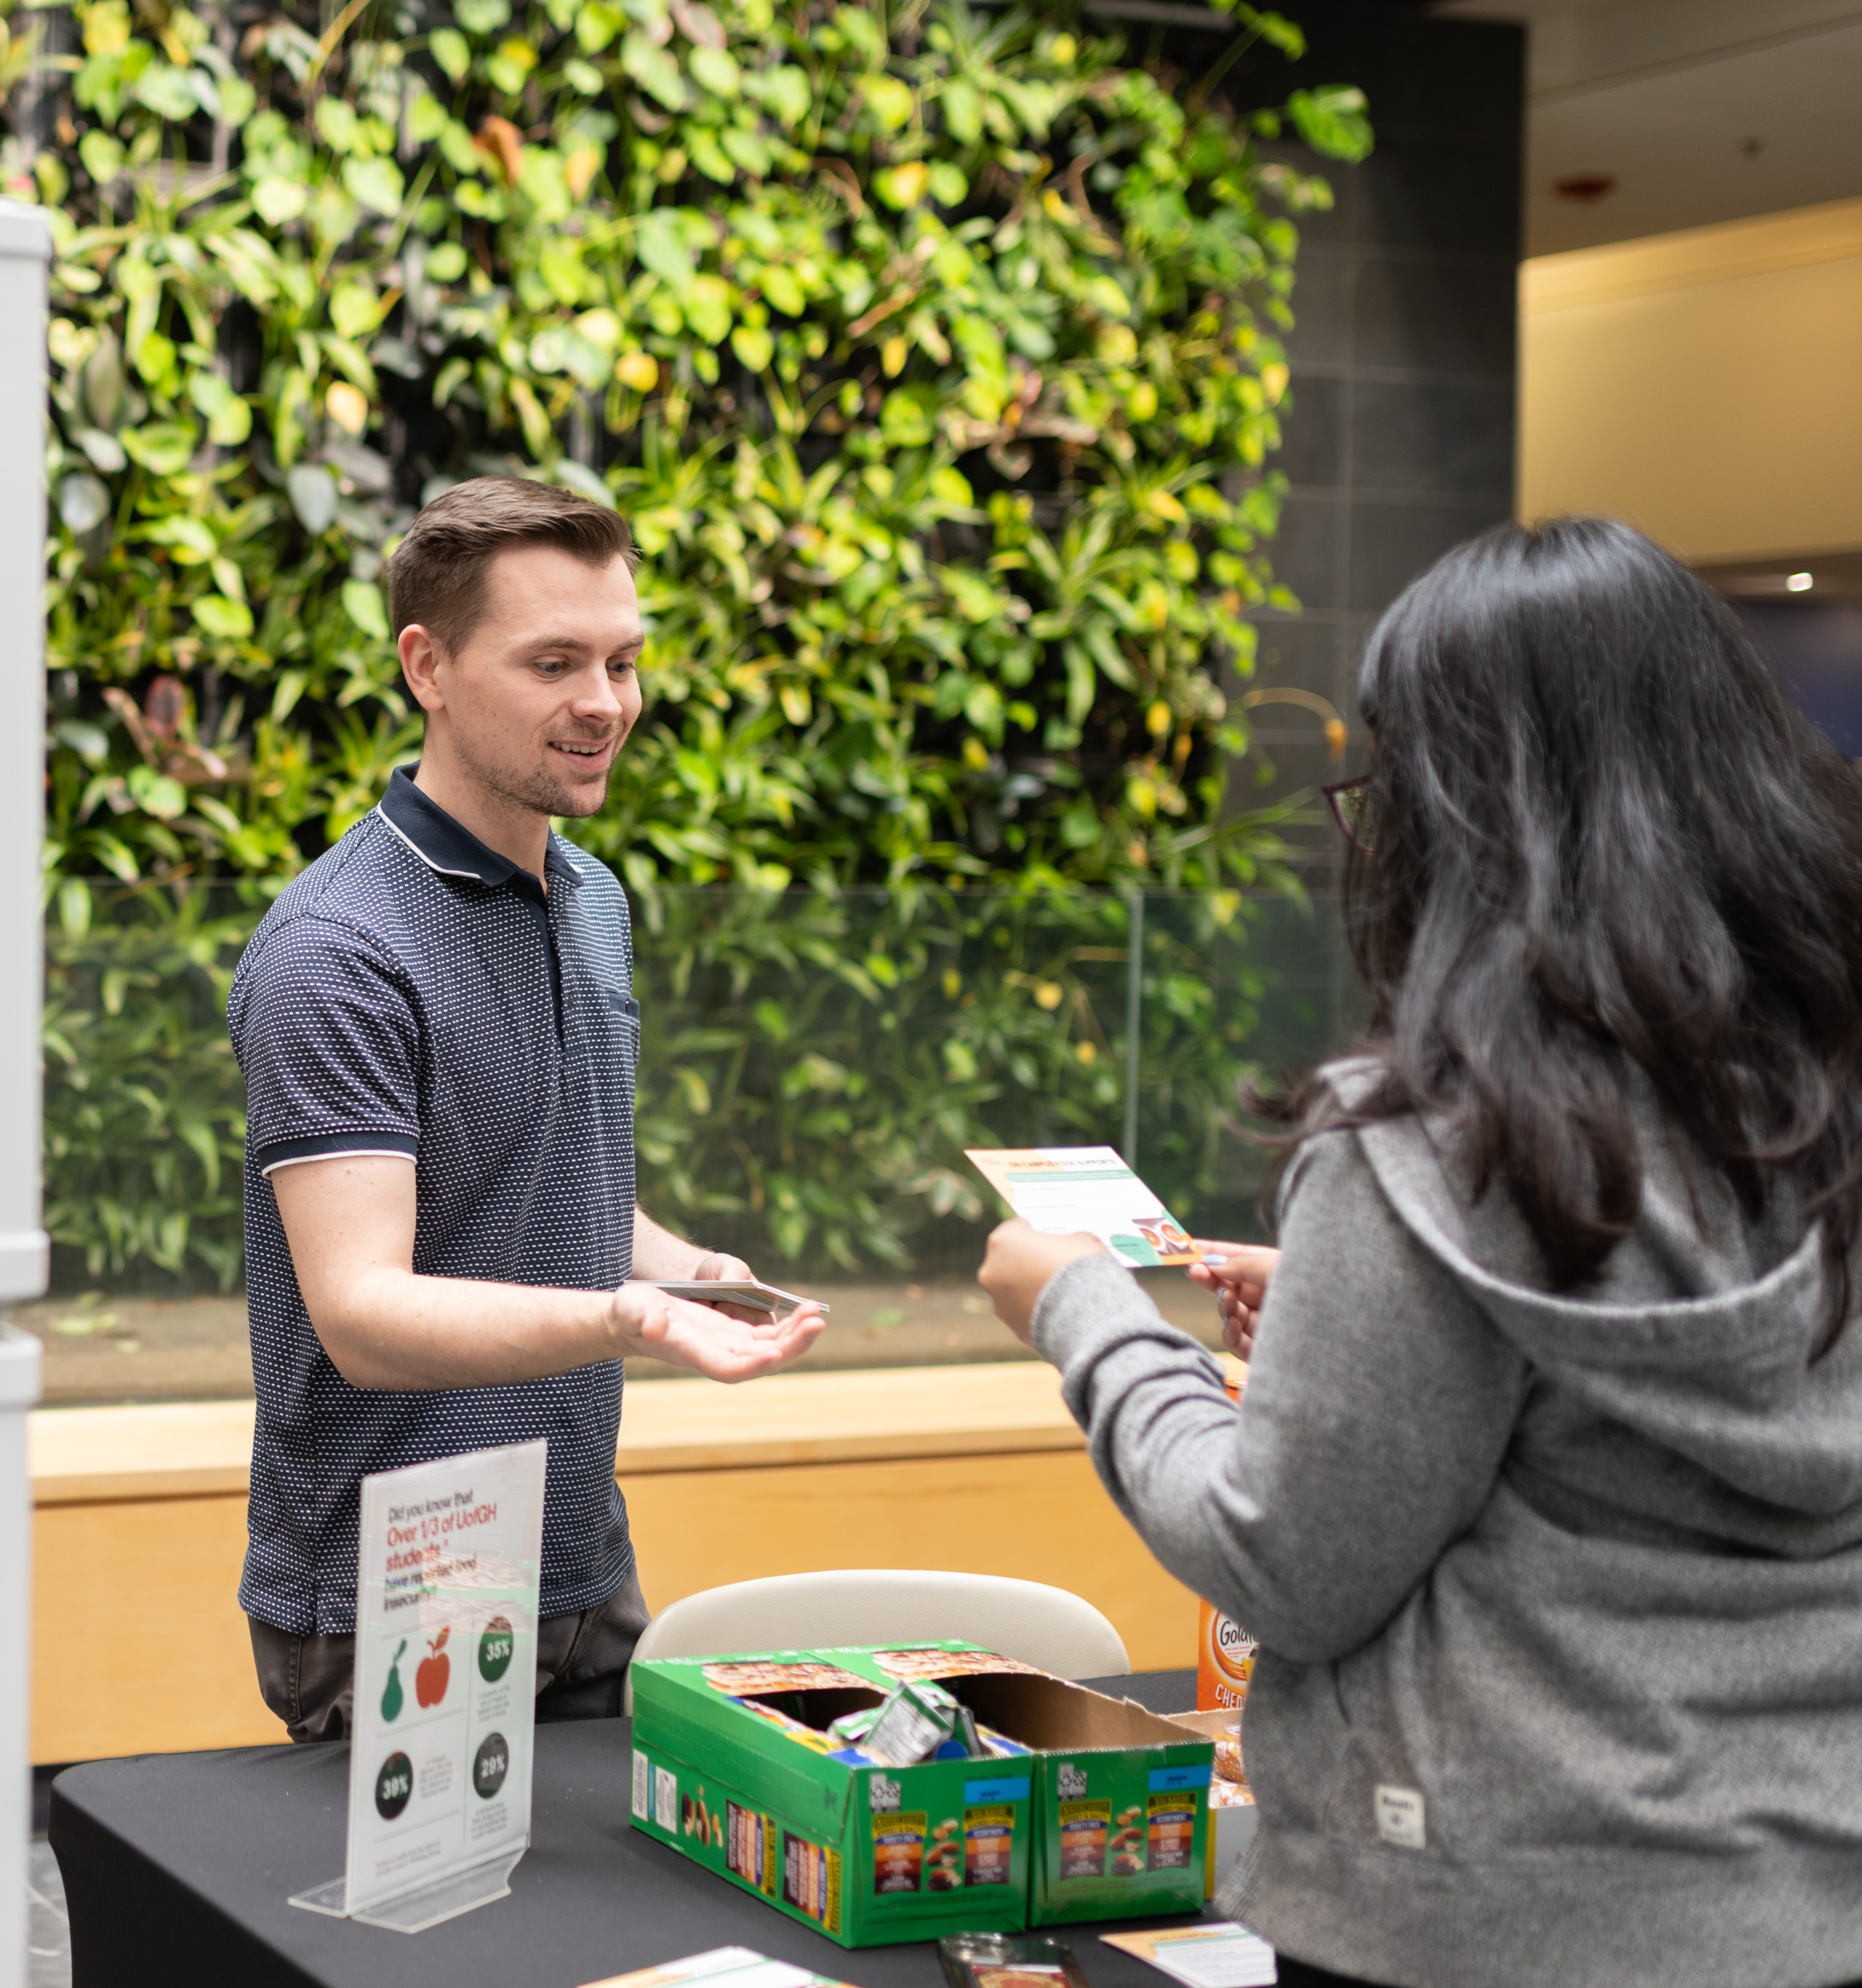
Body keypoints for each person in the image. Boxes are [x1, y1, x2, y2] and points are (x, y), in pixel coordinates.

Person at [976, 517, 1862, 1988]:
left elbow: (1289, 1563)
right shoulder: (1818, 1111)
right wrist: (1353, 1315)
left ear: (1464, 813)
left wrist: (1082, 1312)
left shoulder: (1440, 1148)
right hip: (1813, 1903)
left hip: (1481, 1920)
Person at [227, 476, 828, 1742]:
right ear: (427, 667)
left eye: (622, 660)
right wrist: (627, 1320)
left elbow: (550, 1179)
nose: (605, 704)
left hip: (582, 1558)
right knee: (431, 1949)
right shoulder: (337, 949)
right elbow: (362, 1315)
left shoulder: (593, 898)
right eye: (555, 661)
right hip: (390, 1588)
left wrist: (691, 1272)